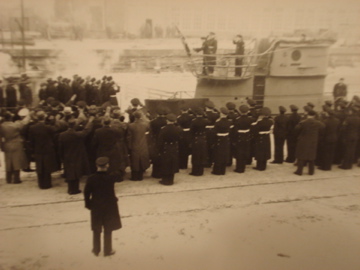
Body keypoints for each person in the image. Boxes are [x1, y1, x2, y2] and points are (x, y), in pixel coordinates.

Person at [84, 157, 122, 257]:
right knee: (108, 228)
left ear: (96, 166)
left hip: (96, 206)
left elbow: (86, 192)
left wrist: (88, 204)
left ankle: (96, 250)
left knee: (96, 228)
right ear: (107, 166)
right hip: (109, 207)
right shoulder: (111, 177)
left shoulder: (91, 178)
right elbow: (120, 176)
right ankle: (107, 250)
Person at [59, 117, 94, 195]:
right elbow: (86, 131)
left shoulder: (62, 135)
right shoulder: (77, 134)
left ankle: (71, 189)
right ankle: (75, 189)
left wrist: (62, 156)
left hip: (67, 155)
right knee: (76, 172)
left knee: (70, 172)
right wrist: (90, 122)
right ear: (75, 125)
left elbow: (60, 147)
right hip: (77, 155)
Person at [28, 111, 59, 189]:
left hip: (38, 149)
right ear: (44, 117)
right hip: (48, 149)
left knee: (40, 166)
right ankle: (47, 183)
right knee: (47, 166)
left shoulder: (32, 128)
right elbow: (56, 133)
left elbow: (31, 140)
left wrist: (32, 150)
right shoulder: (48, 127)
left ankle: (41, 183)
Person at [0, 111, 30, 184]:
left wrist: (2, 146)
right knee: (17, 161)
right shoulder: (16, 125)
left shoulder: (1, 126)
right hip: (16, 144)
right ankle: (16, 179)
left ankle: (8, 179)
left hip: (7, 143)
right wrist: (29, 114)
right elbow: (24, 122)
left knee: (8, 161)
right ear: (10, 118)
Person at [294, 110, 325, 176]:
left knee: (301, 156)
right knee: (311, 156)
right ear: (314, 115)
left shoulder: (303, 122)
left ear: (308, 114)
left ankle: (299, 171)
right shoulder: (318, 123)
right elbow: (323, 127)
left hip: (303, 141)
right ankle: (311, 171)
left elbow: (296, 129)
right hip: (313, 141)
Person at [158, 113, 182, 185]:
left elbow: (160, 141)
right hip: (174, 147)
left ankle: (165, 180)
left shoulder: (163, 129)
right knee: (172, 163)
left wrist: (159, 149)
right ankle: (171, 180)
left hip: (166, 147)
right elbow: (180, 139)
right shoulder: (177, 129)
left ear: (167, 120)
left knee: (165, 163)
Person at [127, 111, 150, 180]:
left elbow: (129, 137)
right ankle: (140, 175)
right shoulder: (145, 124)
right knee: (142, 159)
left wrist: (129, 146)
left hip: (134, 144)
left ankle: (134, 176)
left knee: (134, 160)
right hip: (143, 144)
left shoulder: (131, 126)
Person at [232, 105, 255, 173]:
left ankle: (239, 168)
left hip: (239, 137)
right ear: (247, 111)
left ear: (240, 111)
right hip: (247, 137)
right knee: (245, 152)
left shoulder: (237, 119)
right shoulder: (250, 119)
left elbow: (234, 130)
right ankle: (243, 167)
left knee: (239, 153)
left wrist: (234, 139)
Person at [189, 107, 209, 176]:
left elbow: (191, 132)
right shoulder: (206, 121)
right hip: (203, 139)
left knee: (196, 155)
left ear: (196, 114)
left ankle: (195, 171)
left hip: (196, 139)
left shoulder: (194, 121)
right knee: (202, 155)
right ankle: (201, 171)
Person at [211, 107, 232, 175]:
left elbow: (214, 132)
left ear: (222, 114)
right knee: (224, 155)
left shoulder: (218, 122)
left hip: (219, 139)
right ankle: (223, 171)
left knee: (218, 155)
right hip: (226, 139)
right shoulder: (229, 122)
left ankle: (217, 171)